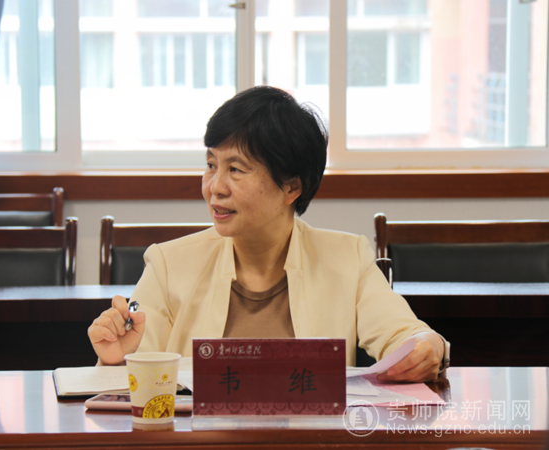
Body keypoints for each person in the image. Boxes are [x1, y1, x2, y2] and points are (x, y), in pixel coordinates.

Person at [88, 86, 446, 382]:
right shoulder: (168, 264)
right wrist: (115, 361)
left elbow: (407, 335)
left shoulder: (347, 258)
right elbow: (137, 378)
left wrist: (429, 347)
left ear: (291, 187)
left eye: (236, 169)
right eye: (211, 165)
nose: (215, 187)